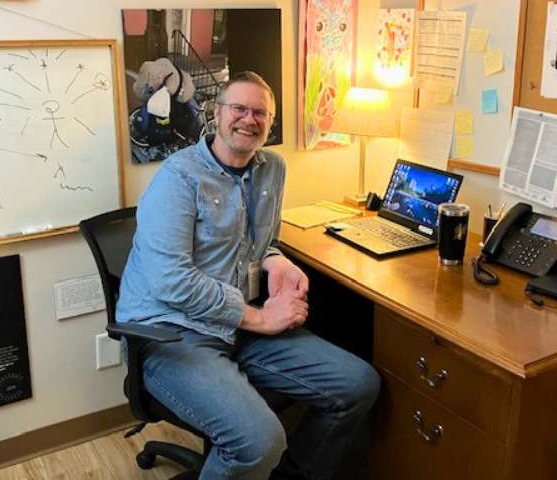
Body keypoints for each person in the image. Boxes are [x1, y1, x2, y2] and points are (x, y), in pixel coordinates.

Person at [117, 71, 380, 479]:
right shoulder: (178, 177)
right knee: (258, 442)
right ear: (216, 114)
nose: (249, 119)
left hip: (237, 329)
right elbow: (170, 279)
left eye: (260, 113)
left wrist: (276, 259)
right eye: (238, 108)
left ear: (270, 123)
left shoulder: (271, 169)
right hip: (173, 335)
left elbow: (256, 242)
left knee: (357, 384)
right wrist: (259, 317)